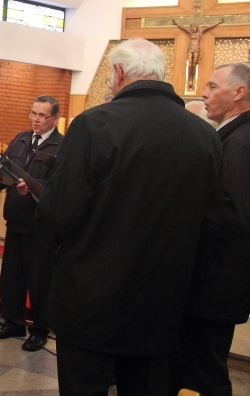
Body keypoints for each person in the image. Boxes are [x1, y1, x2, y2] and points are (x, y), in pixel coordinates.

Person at [36, 38, 225, 395]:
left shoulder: (95, 123)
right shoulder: (204, 135)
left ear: (119, 72)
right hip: (162, 304)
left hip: (91, 300)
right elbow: (212, 221)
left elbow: (59, 211)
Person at [168, 62, 250, 396]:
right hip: (212, 283)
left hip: (213, 284)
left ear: (239, 93)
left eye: (214, 86)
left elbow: (229, 216)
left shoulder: (240, 142)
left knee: (204, 373)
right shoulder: (230, 136)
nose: (204, 93)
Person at [0, 95, 63, 352]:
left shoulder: (61, 146)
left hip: (40, 227)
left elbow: (58, 189)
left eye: (42, 116)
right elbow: (3, 166)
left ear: (55, 118)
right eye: (33, 114)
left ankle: (39, 329)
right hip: (15, 221)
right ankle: (13, 322)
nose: (36, 120)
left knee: (39, 282)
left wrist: (30, 192)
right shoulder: (20, 139)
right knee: (11, 278)